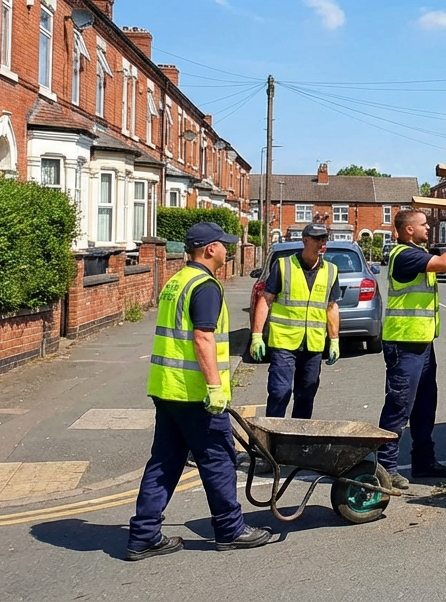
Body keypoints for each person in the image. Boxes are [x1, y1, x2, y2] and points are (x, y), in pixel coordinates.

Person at [126, 222, 272, 560]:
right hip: (196, 394)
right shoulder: (205, 286)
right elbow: (203, 337)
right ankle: (231, 529)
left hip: (167, 388)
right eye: (224, 244)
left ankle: (144, 534)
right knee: (218, 458)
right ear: (209, 249)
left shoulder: (177, 281)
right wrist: (215, 387)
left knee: (164, 461)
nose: (227, 250)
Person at [377, 206, 446, 489]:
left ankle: (424, 462)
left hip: (420, 344)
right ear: (409, 230)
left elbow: (445, 255)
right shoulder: (405, 255)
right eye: (423, 225)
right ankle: (384, 468)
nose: (428, 228)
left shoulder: (417, 253)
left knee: (424, 406)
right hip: (404, 344)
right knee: (399, 406)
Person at [249, 222, 341, 419]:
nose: (321, 243)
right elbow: (266, 299)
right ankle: (272, 439)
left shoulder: (331, 270)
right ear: (305, 240)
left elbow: (331, 307)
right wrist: (256, 336)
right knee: (279, 392)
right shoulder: (283, 266)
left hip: (313, 344)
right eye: (317, 239)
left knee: (306, 395)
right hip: (284, 343)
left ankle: (298, 443)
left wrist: (334, 340)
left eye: (324, 238)